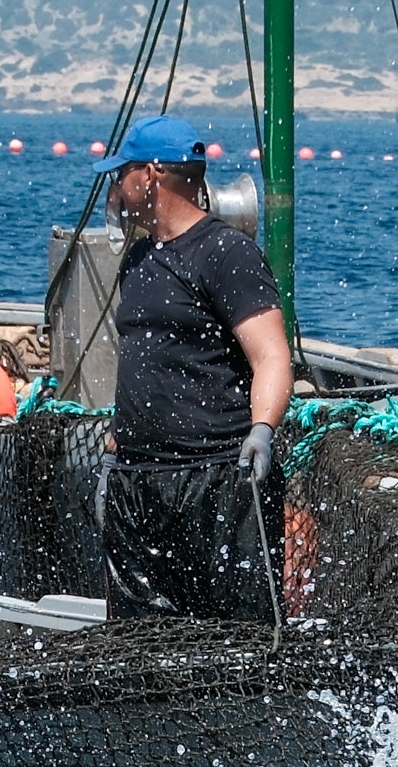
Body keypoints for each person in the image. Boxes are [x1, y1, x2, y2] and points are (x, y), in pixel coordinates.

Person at [92, 114, 293, 623]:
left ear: (151, 174)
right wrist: (122, 436)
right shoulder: (138, 257)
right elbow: (149, 354)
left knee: (233, 634)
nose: (116, 187)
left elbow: (271, 355)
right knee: (140, 642)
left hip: (218, 481)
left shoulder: (226, 253)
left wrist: (263, 431)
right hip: (139, 483)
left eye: (123, 174)